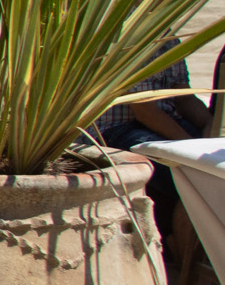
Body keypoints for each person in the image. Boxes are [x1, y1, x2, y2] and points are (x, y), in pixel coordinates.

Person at [91, 35, 213, 263]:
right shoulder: (132, 36)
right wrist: (193, 150)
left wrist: (211, 126)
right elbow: (145, 112)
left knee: (211, 164)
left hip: (166, 118)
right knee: (192, 175)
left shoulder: (170, 38)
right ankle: (184, 257)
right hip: (119, 128)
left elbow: (185, 98)